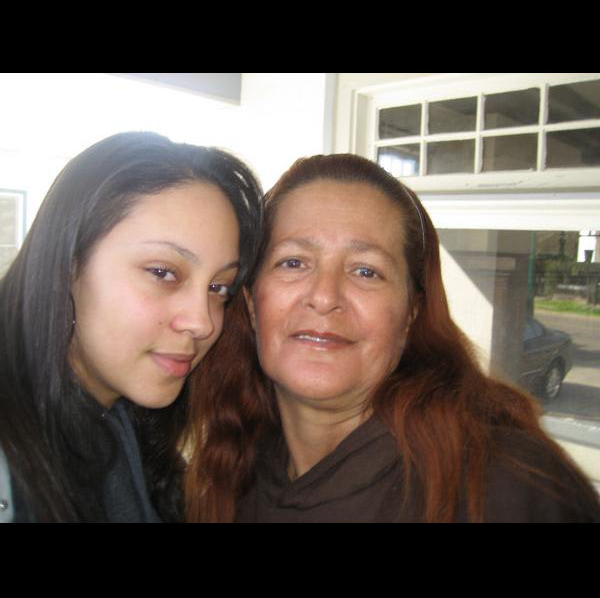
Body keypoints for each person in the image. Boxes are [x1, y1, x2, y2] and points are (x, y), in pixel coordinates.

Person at [184, 153, 600, 523]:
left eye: (366, 271)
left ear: (410, 315)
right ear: (252, 303)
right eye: (293, 262)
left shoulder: (506, 486)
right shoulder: (232, 470)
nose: (324, 297)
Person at [0, 131, 262, 522]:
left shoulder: (129, 439)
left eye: (218, 287)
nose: (203, 322)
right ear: (68, 263)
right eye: (162, 272)